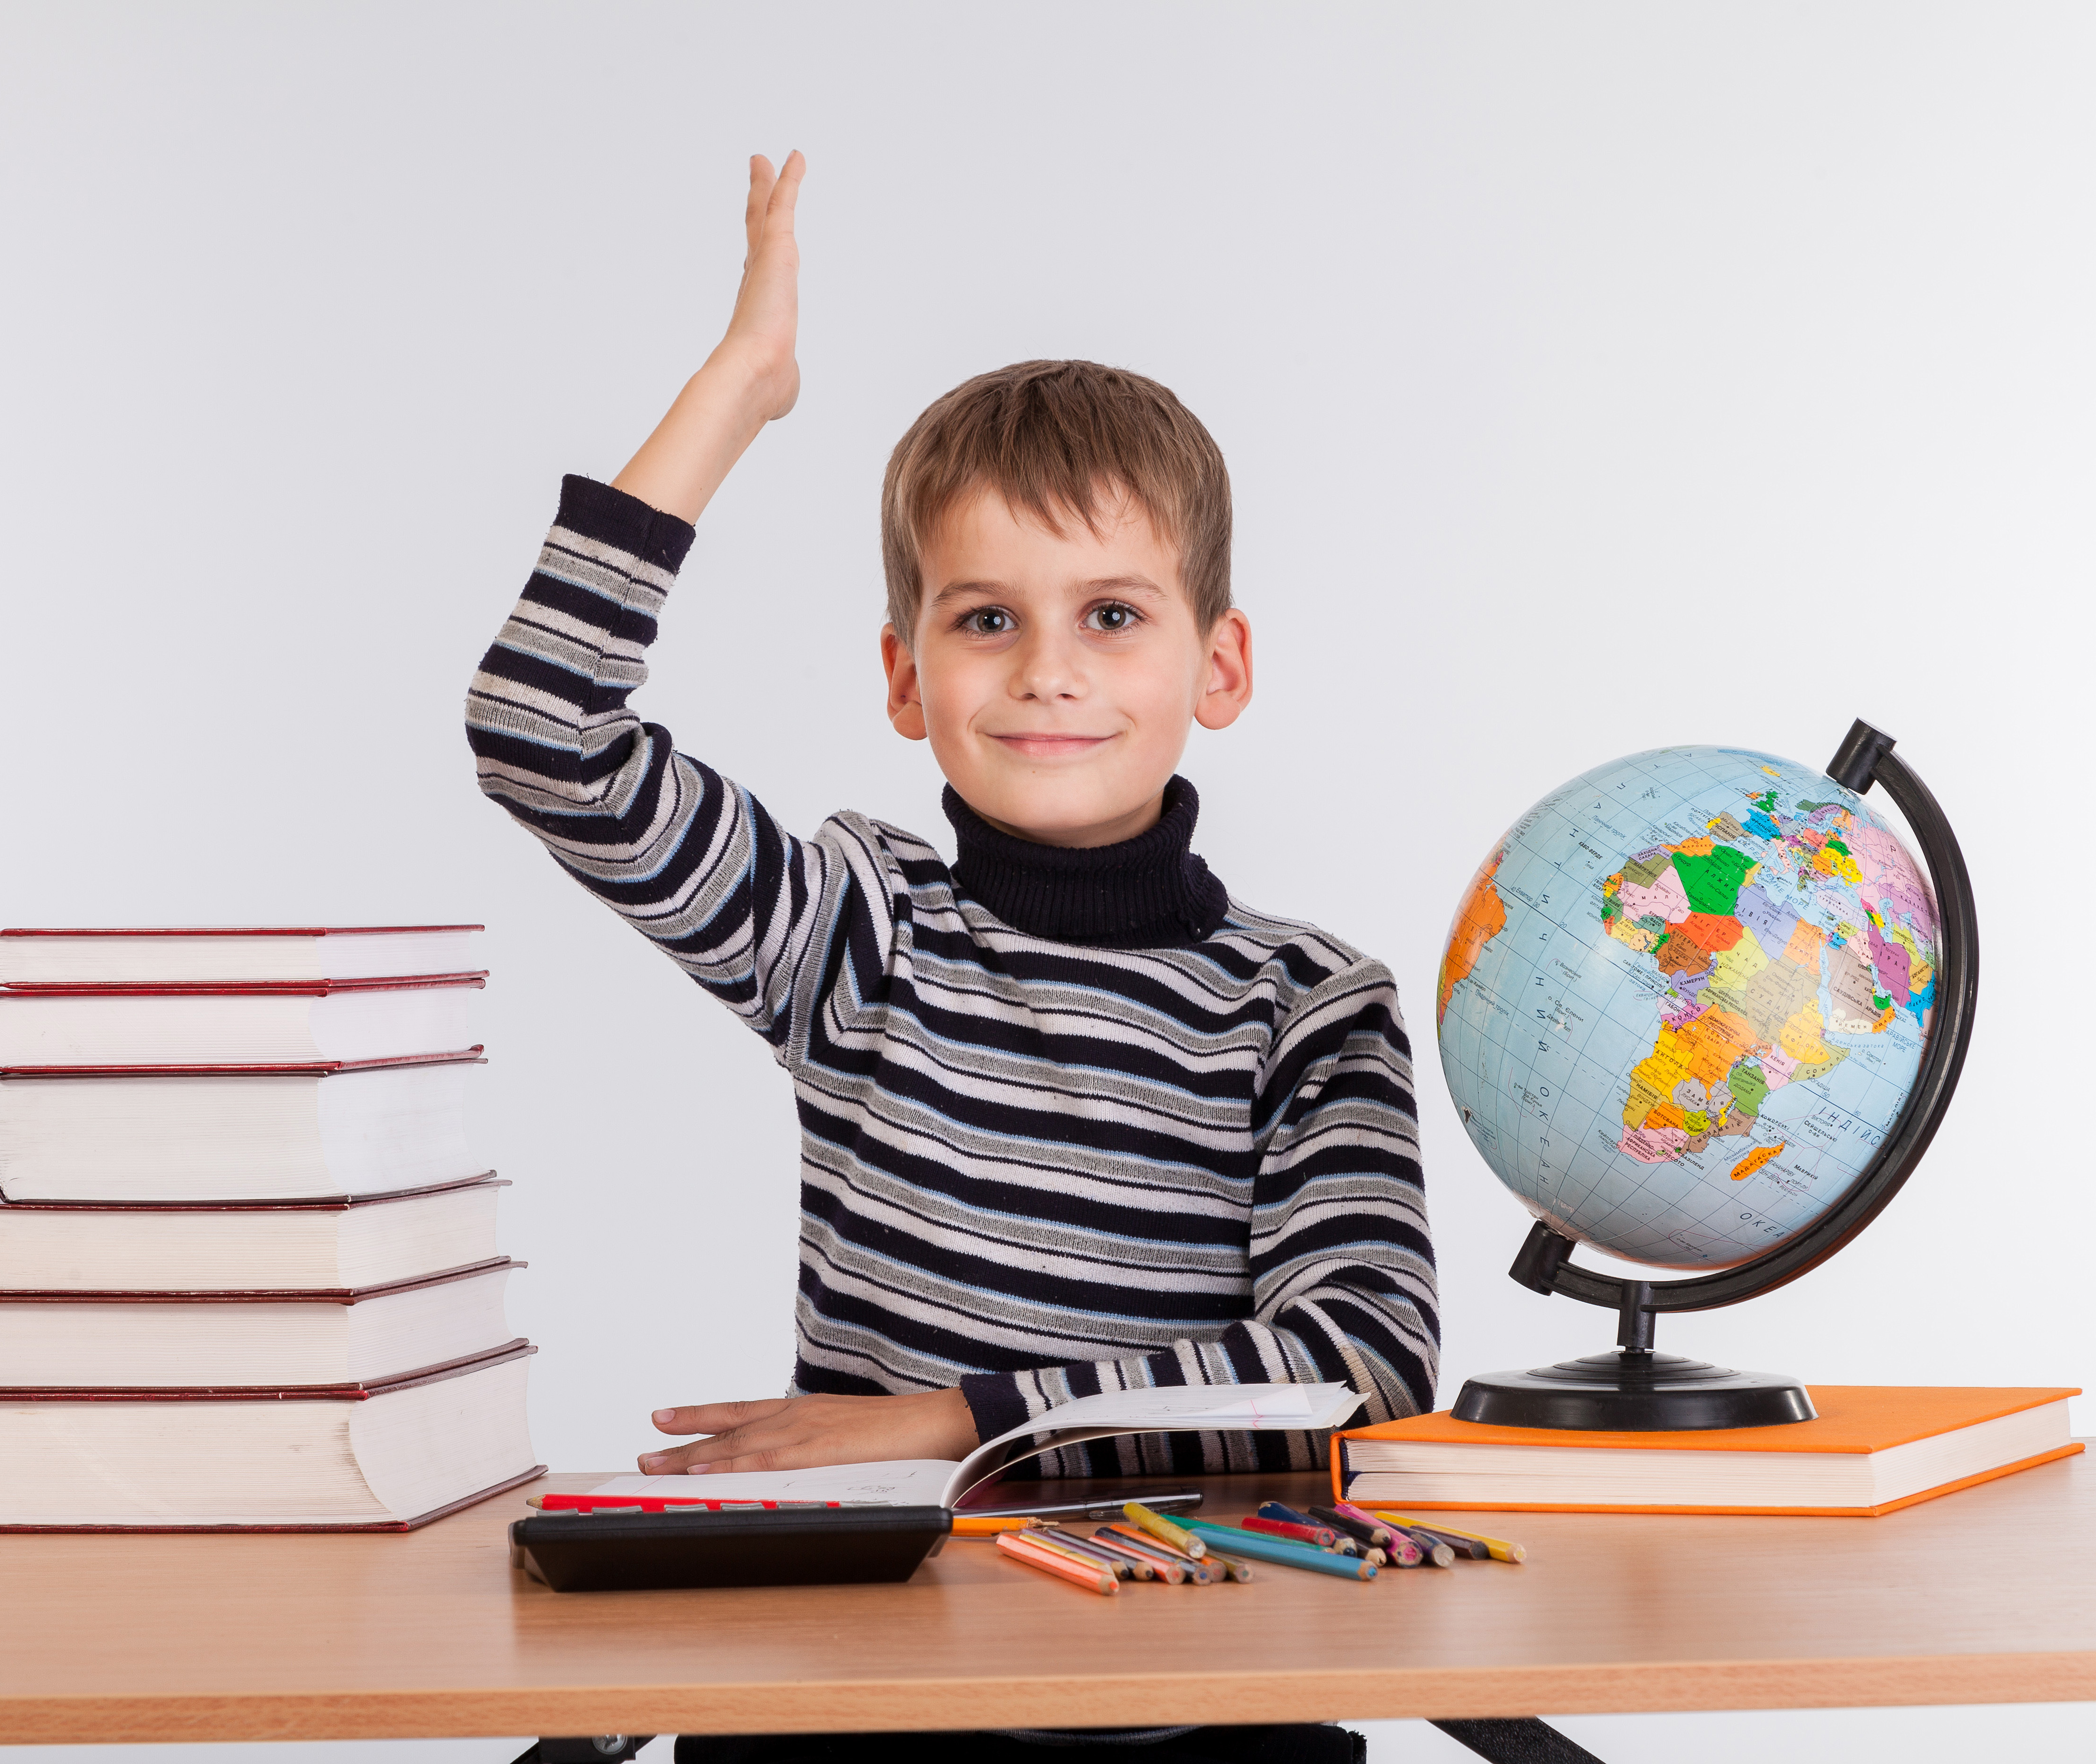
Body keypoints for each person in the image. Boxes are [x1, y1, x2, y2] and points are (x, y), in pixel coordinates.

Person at [464, 151, 1437, 1496]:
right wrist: (739, 389)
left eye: (1112, 615)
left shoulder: (1308, 1008)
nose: (1048, 669)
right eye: (988, 618)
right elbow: (540, 732)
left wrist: (949, 1421)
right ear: (906, 678)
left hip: (1197, 1670)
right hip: (881, 1659)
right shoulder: (859, 935)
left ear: (1220, 666)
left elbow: (1362, 1369)